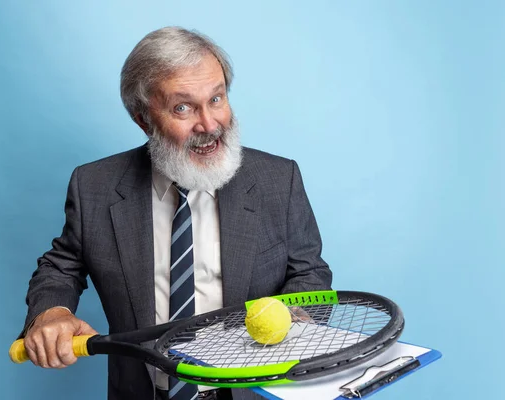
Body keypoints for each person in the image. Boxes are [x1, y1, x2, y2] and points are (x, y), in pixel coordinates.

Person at [19, 27, 332, 400]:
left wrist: (291, 326)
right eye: (183, 107)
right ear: (143, 119)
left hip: (253, 390)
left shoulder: (278, 180)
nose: (209, 124)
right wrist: (51, 313)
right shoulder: (94, 186)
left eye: (217, 98)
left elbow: (309, 272)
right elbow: (62, 265)